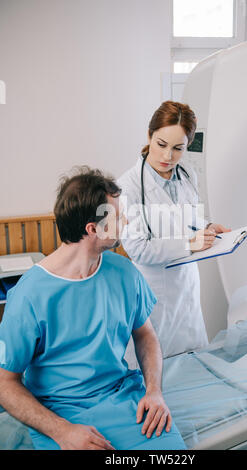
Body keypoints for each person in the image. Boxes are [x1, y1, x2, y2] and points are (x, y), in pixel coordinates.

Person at [0, 166, 186, 450]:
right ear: (93, 229)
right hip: (60, 414)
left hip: (123, 398)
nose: (125, 221)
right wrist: (62, 431)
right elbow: (5, 383)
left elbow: (145, 335)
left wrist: (154, 391)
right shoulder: (28, 296)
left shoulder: (124, 272)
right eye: (118, 216)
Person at [118, 101, 230, 365]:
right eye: (161, 144)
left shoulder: (188, 174)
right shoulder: (127, 187)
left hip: (187, 287)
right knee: (153, 370)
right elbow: (138, 249)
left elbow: (188, 218)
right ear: (149, 136)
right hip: (151, 291)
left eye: (178, 148)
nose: (168, 156)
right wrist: (190, 244)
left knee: (193, 365)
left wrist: (207, 227)